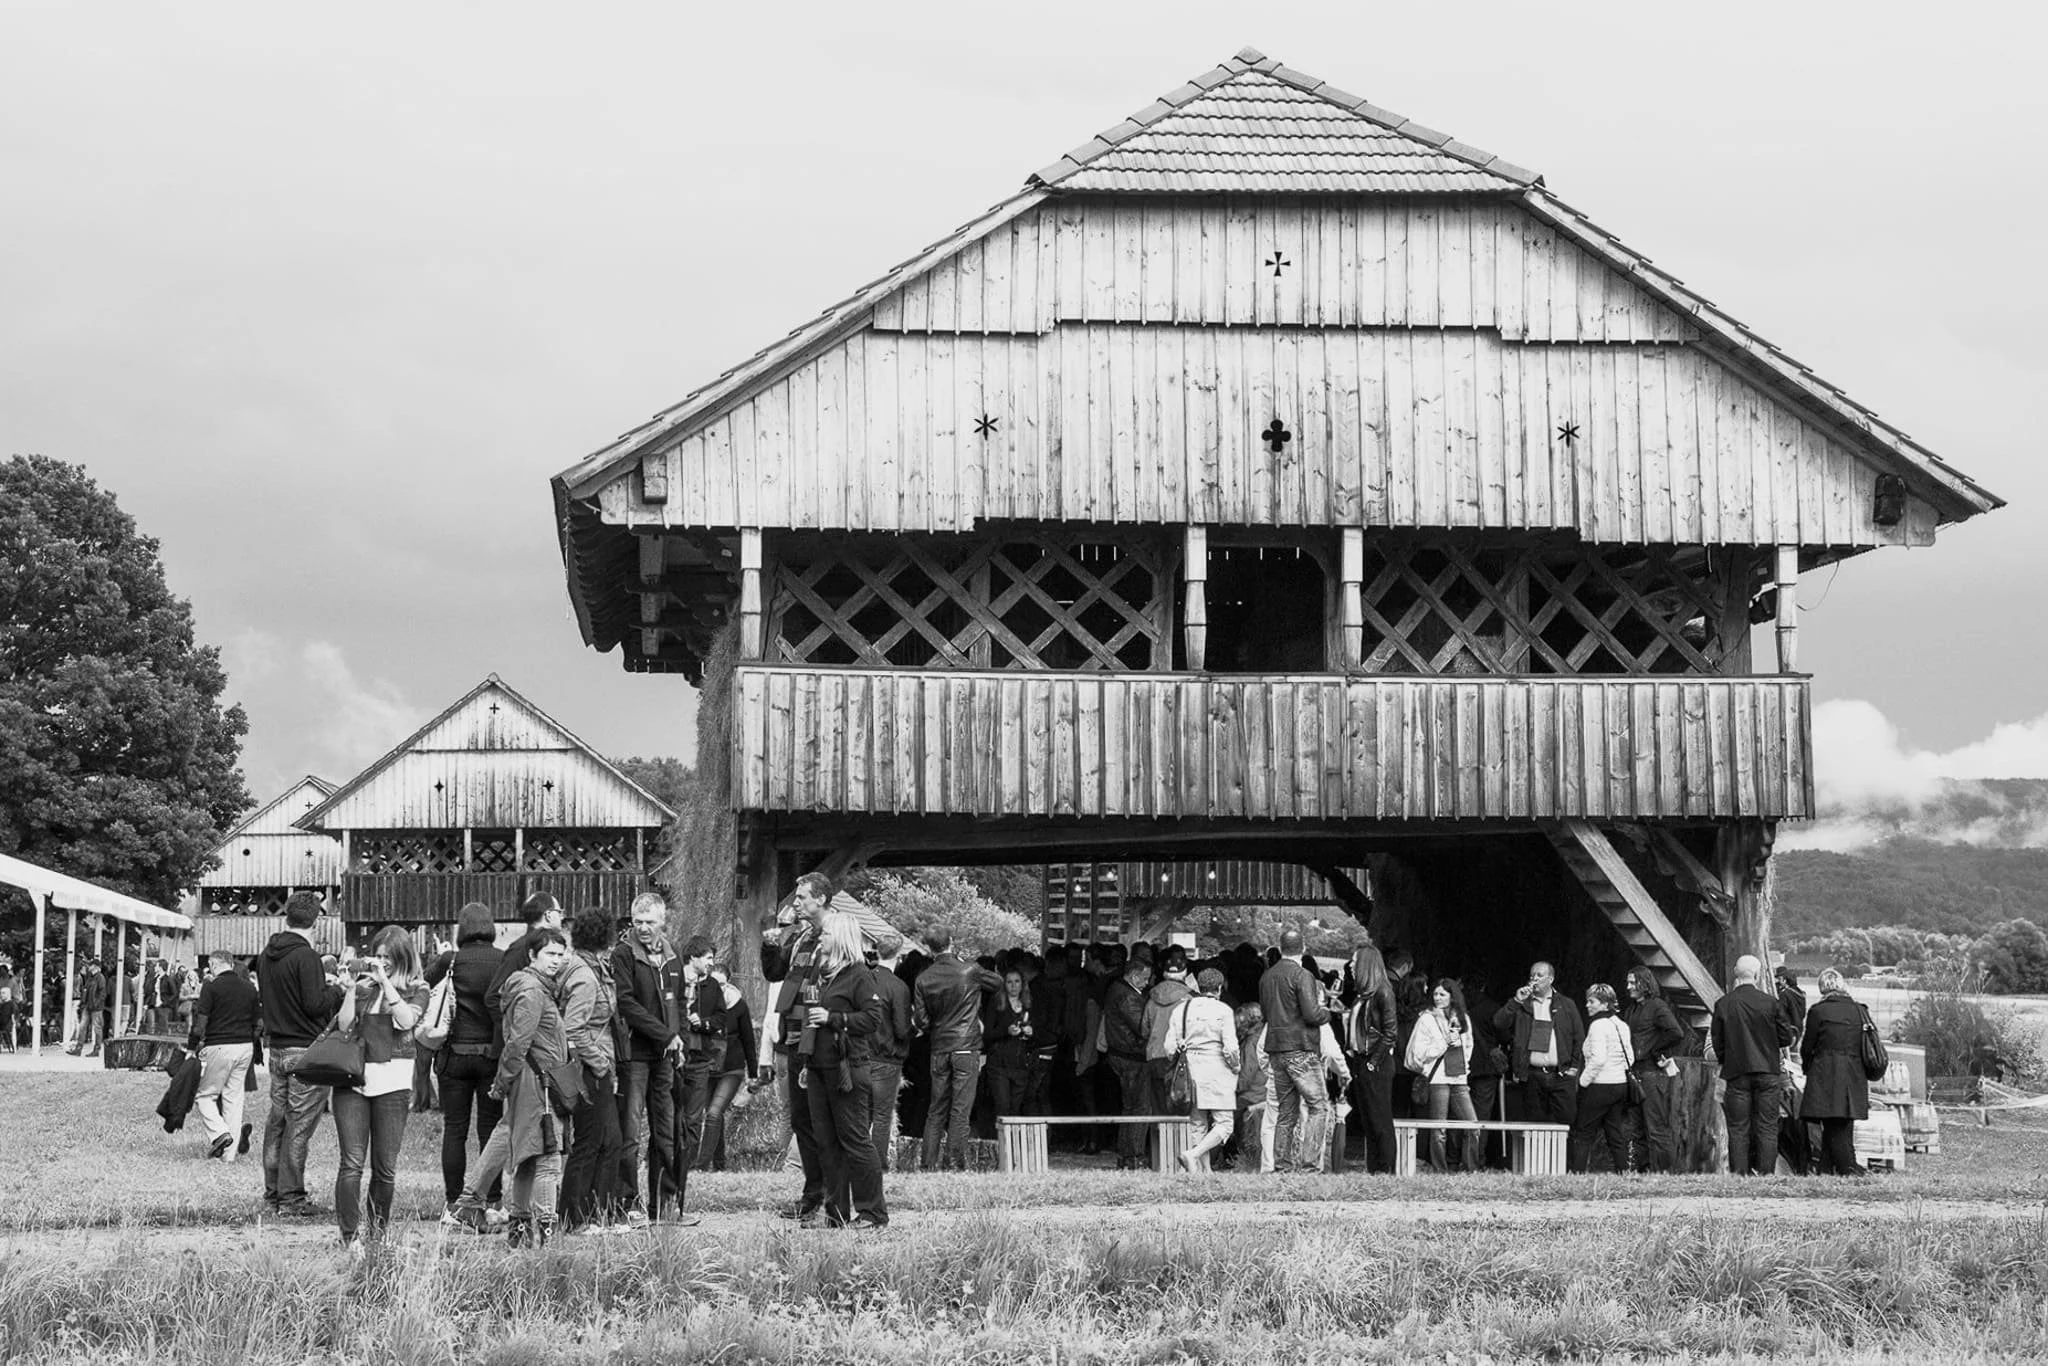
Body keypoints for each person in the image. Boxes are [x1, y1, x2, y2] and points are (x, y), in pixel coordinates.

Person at [450, 928, 573, 1247]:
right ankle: (546, 1234)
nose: (556, 960)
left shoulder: (537, 987)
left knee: (521, 1148)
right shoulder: (532, 991)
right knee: (547, 1155)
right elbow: (518, 1042)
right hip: (536, 1082)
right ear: (532, 956)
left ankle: (509, 1225)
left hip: (533, 1079)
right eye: (550, 954)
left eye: (561, 954)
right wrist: (503, 1083)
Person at [330, 925, 428, 1253]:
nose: (381, 963)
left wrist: (386, 984)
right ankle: (349, 1236)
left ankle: (378, 1232)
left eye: (388, 958)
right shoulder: (364, 989)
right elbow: (343, 1025)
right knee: (352, 1162)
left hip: (393, 1086)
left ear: (402, 958)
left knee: (385, 1167)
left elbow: (405, 1021)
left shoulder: (417, 989)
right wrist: (349, 991)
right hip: (354, 1082)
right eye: (378, 956)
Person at [258, 892, 344, 1218]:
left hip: (277, 1046)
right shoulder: (306, 956)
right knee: (299, 1126)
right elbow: (314, 1004)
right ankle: (292, 1199)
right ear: (316, 920)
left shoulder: (267, 955)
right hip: (305, 1048)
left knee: (277, 1123)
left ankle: (273, 1195)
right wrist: (336, 990)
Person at [801, 912, 888, 1229]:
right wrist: (807, 1057)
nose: (820, 938)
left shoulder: (859, 975)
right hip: (819, 1067)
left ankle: (872, 1213)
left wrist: (835, 1018)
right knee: (826, 1142)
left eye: (825, 934)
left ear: (839, 938)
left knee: (855, 1141)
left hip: (847, 1068)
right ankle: (835, 1213)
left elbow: (873, 1019)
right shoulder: (824, 974)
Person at [424, 902, 505, 1216]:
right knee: (491, 1129)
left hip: (454, 1054)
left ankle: (453, 1202)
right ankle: (491, 1198)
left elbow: (424, 987)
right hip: (490, 1056)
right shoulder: (502, 959)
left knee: (454, 1128)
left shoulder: (450, 960)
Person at [762, 873, 835, 1215]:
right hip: (793, 1037)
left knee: (826, 1121)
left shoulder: (838, 936)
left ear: (820, 899)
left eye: (803, 897)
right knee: (802, 1120)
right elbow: (776, 973)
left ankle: (833, 1196)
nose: (797, 904)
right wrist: (770, 944)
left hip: (821, 1040)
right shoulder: (802, 936)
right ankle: (812, 1195)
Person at [556, 906, 627, 1232]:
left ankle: (600, 1212)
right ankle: (573, 1217)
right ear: (605, 937)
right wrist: (601, 1066)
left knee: (610, 1140)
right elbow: (574, 1030)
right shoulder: (585, 976)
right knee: (590, 1141)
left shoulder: (589, 967)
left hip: (598, 1065)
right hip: (589, 1068)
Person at [614, 891, 682, 1227]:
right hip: (634, 1055)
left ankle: (665, 1203)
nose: (643, 928)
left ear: (662, 922)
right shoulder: (623, 954)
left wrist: (677, 1039)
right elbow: (625, 1003)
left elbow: (679, 1001)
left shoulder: (672, 955)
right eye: (637, 922)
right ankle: (628, 1202)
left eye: (650, 922)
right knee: (630, 1132)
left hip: (665, 1055)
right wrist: (665, 1034)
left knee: (665, 1130)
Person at [911, 923, 1000, 1170]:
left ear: (928, 948)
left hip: (939, 1046)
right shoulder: (968, 970)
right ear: (952, 941)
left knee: (936, 1108)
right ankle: (954, 1164)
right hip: (966, 1045)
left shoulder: (923, 978)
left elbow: (922, 1021)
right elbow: (997, 983)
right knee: (960, 1109)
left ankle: (927, 1166)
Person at [1710, 954, 1795, 1177]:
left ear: (1736, 974)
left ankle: (1740, 1174)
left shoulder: (1723, 1004)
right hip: (1767, 1072)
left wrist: (1726, 1060)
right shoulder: (1771, 1003)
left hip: (1737, 1072)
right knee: (1767, 1126)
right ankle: (1766, 1174)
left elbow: (1717, 1042)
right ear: (1757, 975)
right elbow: (1785, 1038)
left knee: (1738, 1128)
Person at [1259, 929, 1332, 1173]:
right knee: (1319, 1106)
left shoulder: (1267, 977)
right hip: (1300, 1048)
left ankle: (1282, 1166)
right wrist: (1327, 1013)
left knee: (1286, 1111)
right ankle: (1309, 1166)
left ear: (1280, 948)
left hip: (1276, 1048)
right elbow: (1311, 1014)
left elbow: (1267, 1014)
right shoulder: (1303, 975)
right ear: (1304, 947)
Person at [669, 934, 726, 1220]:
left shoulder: (713, 986)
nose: (711, 963)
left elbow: (721, 1019)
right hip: (674, 1061)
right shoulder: (674, 980)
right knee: (670, 1120)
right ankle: (667, 1179)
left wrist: (702, 1024)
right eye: (708, 958)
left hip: (700, 1059)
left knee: (694, 1121)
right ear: (693, 957)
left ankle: (685, 1170)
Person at [186, 949, 260, 1162]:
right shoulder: (249, 988)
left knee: (204, 1096)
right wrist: (253, 1045)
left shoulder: (211, 986)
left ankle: (219, 1133)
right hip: (244, 1046)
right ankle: (229, 1156)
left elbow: (201, 1022)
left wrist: (192, 1048)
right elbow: (259, 1023)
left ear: (214, 964)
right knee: (234, 1100)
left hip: (219, 1044)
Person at [1163, 968, 1240, 1171]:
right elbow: (1231, 1048)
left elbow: (1169, 1048)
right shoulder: (1224, 1011)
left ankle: (1202, 1174)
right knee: (1224, 1124)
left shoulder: (1182, 1009)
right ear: (1219, 988)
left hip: (1190, 1070)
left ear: (1199, 985)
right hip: (1217, 1070)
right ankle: (1192, 1154)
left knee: (1198, 1124)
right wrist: (1236, 1066)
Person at [1799, 968, 1871, 1177]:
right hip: (1854, 1074)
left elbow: (1807, 1046)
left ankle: (1848, 1170)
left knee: (1833, 1125)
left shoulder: (1818, 1012)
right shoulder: (1860, 1011)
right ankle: (1826, 1170)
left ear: (1823, 988)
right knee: (1842, 1124)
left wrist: (1807, 1068)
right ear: (1842, 985)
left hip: (1825, 1074)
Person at [1494, 961, 1583, 1127]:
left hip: (1560, 1074)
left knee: (1565, 1123)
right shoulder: (1522, 1004)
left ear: (1551, 979)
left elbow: (1578, 1037)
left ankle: (1561, 1154)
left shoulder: (1566, 1004)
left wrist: (1574, 1067)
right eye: (1532, 975)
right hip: (1532, 1074)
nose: (1534, 979)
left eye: (1539, 975)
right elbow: (1499, 1023)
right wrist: (1516, 1001)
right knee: (1534, 1125)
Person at [1406, 979, 1481, 1173]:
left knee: (1473, 1125)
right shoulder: (1426, 1019)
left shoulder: (1463, 1018)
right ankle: (1440, 1169)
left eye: (1443, 994)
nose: (1438, 998)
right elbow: (1418, 1051)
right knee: (1439, 1129)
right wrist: (1442, 1045)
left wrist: (1465, 1064)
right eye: (1436, 994)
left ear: (1452, 996)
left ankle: (1470, 1167)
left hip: (1458, 1077)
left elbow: (1469, 1044)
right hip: (1438, 1077)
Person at [1621, 966, 1686, 1173]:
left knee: (1656, 1128)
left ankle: (1664, 1173)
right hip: (1635, 1073)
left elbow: (1676, 1032)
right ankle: (1641, 1171)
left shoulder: (1657, 1006)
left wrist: (1654, 1049)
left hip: (1650, 1074)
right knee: (1637, 1129)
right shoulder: (1632, 1009)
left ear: (1644, 983)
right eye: (1629, 982)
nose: (1629, 987)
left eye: (1633, 982)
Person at [700, 962, 760, 1171]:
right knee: (713, 1115)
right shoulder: (700, 1003)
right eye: (714, 984)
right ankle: (719, 1165)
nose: (719, 989)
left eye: (723, 984)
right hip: (708, 1066)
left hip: (732, 1068)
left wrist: (753, 1074)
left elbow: (749, 1041)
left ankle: (700, 1165)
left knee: (714, 1113)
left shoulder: (739, 1005)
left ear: (729, 984)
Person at [1570, 983, 1634, 1173]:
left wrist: (1582, 1082)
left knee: (1583, 1132)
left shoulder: (1597, 1026)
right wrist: (1616, 1070)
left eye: (1592, 1002)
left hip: (1599, 1086)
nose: (1587, 1005)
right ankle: (1623, 1173)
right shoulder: (1621, 1025)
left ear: (1605, 1005)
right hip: (1619, 1084)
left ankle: (1578, 1174)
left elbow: (1597, 1059)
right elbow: (1630, 1057)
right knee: (1615, 1132)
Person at [1347, 945, 1400, 1174]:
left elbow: (1391, 1033)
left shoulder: (1383, 993)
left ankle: (1385, 1171)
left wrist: (1372, 1062)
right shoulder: (1363, 995)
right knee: (1368, 1122)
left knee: (1381, 1123)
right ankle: (1374, 1171)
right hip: (1362, 1060)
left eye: (1354, 961)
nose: (1350, 965)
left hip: (1375, 1063)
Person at [1102, 952, 1153, 1171]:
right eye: (1145, 978)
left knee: (1129, 1107)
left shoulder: (1116, 989)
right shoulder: (1129, 996)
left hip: (1119, 1053)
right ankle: (1135, 1156)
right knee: (1140, 1107)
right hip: (1132, 1056)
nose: (1148, 982)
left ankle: (1125, 1155)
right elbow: (1142, 1026)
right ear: (1133, 976)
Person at [863, 941, 912, 1168]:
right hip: (886, 1058)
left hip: (861, 1056)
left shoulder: (862, 980)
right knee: (882, 1116)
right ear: (898, 954)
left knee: (861, 1115)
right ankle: (878, 1165)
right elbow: (902, 1030)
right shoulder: (898, 986)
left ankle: (858, 1162)